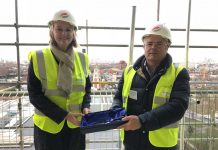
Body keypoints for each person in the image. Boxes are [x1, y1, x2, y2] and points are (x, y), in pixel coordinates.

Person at [111, 22, 190, 150]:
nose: (153, 47)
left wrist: (142, 121)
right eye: (149, 43)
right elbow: (118, 97)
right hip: (132, 141)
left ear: (167, 46)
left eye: (159, 43)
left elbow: (178, 106)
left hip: (162, 144)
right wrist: (115, 111)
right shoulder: (129, 72)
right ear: (144, 45)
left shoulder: (178, 73)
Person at [27, 10, 91, 150]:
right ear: (52, 30)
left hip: (76, 126)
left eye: (68, 29)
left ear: (74, 32)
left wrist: (86, 106)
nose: (64, 34)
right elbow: (34, 96)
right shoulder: (38, 57)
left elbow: (87, 88)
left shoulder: (82, 58)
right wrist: (64, 115)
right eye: (59, 29)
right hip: (48, 128)